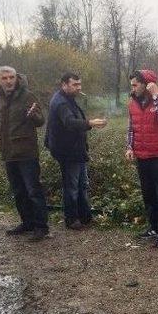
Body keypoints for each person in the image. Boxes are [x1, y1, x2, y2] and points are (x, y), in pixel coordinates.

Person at [45, 72, 106, 229]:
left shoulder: (68, 99)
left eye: (79, 84)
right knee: (72, 186)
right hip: (67, 151)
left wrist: (88, 124)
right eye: (75, 85)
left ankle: (84, 216)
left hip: (76, 150)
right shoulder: (61, 103)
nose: (78, 88)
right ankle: (72, 219)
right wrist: (90, 123)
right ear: (64, 85)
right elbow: (70, 123)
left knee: (82, 184)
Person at [0, 66, 49, 240]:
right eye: (5, 78)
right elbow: (0, 121)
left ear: (16, 78)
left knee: (33, 190)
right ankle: (27, 223)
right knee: (18, 191)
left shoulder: (28, 96)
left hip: (26, 152)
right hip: (8, 152)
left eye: (11, 77)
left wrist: (33, 115)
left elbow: (40, 121)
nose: (9, 81)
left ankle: (41, 227)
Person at [125, 70, 158, 247]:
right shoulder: (132, 103)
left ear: (147, 84)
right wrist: (130, 147)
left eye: (135, 84)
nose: (132, 88)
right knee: (149, 195)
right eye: (132, 84)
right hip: (142, 156)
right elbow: (131, 128)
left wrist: (156, 96)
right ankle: (154, 227)